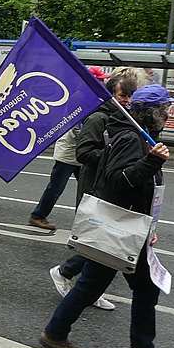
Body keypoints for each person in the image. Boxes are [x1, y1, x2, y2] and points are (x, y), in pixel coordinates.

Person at [41, 85, 174, 348]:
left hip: (132, 228)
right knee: (91, 287)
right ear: (153, 112)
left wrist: (149, 225)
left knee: (143, 290)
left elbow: (142, 187)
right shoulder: (130, 137)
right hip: (118, 228)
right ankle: (54, 335)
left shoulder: (140, 135)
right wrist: (153, 161)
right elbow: (117, 180)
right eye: (165, 109)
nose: (168, 115)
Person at [49, 69, 139, 311]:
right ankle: (66, 274)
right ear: (110, 95)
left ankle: (83, 286)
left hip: (111, 186)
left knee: (104, 242)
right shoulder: (98, 118)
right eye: (122, 95)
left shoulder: (124, 118)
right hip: (95, 187)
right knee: (101, 243)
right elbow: (83, 153)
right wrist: (115, 154)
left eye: (130, 96)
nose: (127, 100)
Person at [28, 68, 110, 229]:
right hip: (70, 150)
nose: (103, 83)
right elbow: (76, 126)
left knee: (90, 188)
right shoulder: (80, 97)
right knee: (56, 187)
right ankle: (37, 216)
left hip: (82, 151)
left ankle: (90, 220)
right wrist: (89, 140)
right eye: (100, 80)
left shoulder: (94, 97)